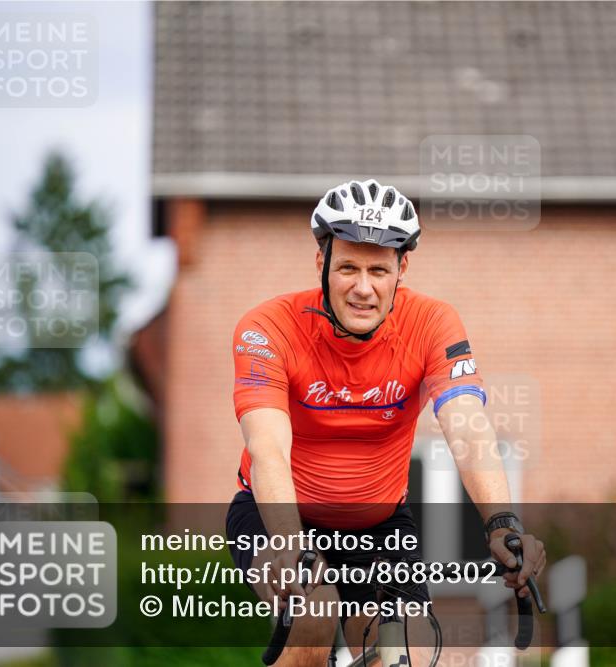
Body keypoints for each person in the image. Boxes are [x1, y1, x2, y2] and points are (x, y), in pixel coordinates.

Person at [226, 179, 546, 666]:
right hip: (277, 514)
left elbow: (467, 430)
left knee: (403, 647)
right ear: (321, 264)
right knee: (313, 614)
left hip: (380, 525)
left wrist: (503, 522)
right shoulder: (268, 327)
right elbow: (268, 445)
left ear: (402, 268)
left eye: (378, 270)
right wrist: (289, 544)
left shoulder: (432, 323)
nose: (363, 287)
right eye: (348, 267)